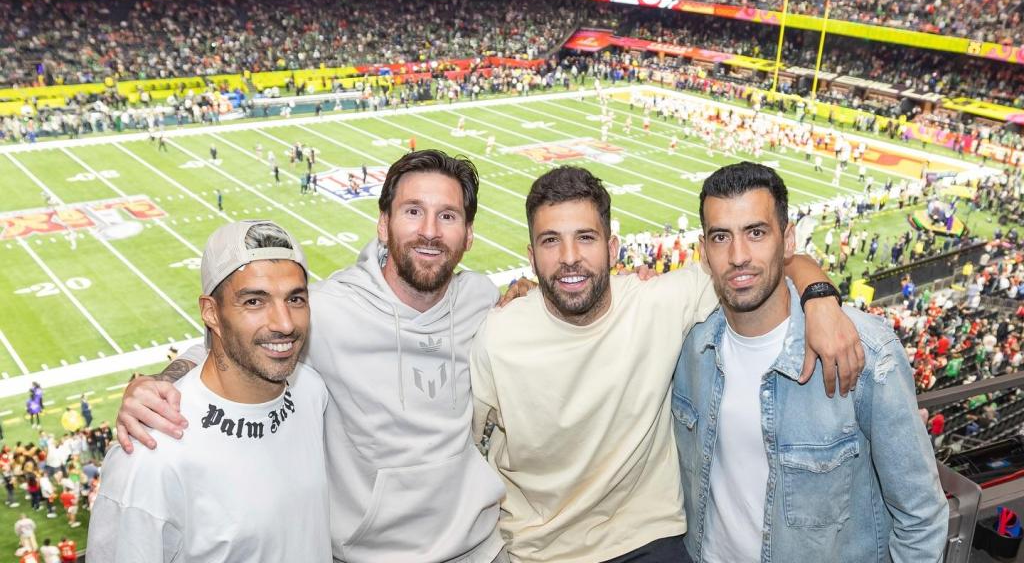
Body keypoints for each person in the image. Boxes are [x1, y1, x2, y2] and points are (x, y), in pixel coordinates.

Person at [115, 151, 510, 562]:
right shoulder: (326, 310)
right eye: (413, 211)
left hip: (480, 549)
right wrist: (158, 384)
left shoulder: (479, 297)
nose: (429, 231)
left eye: (448, 216)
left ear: (468, 235)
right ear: (383, 224)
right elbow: (235, 345)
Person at [471, 167, 862, 562]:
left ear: (612, 248)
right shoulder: (498, 336)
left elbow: (758, 261)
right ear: (531, 255)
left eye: (585, 238)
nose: (569, 258)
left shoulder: (659, 302)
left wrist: (820, 295)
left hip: (648, 540)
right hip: (540, 552)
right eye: (550, 241)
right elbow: (468, 449)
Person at [673, 162, 948, 562]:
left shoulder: (865, 352)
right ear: (704, 251)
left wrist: (819, 293)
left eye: (756, 232)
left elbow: (921, 515)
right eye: (721, 237)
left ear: (788, 242)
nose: (738, 255)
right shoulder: (689, 347)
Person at [87, 220, 331, 561]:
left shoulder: (311, 392)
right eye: (254, 302)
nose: (284, 323)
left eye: (295, 299)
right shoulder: (152, 453)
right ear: (211, 312)